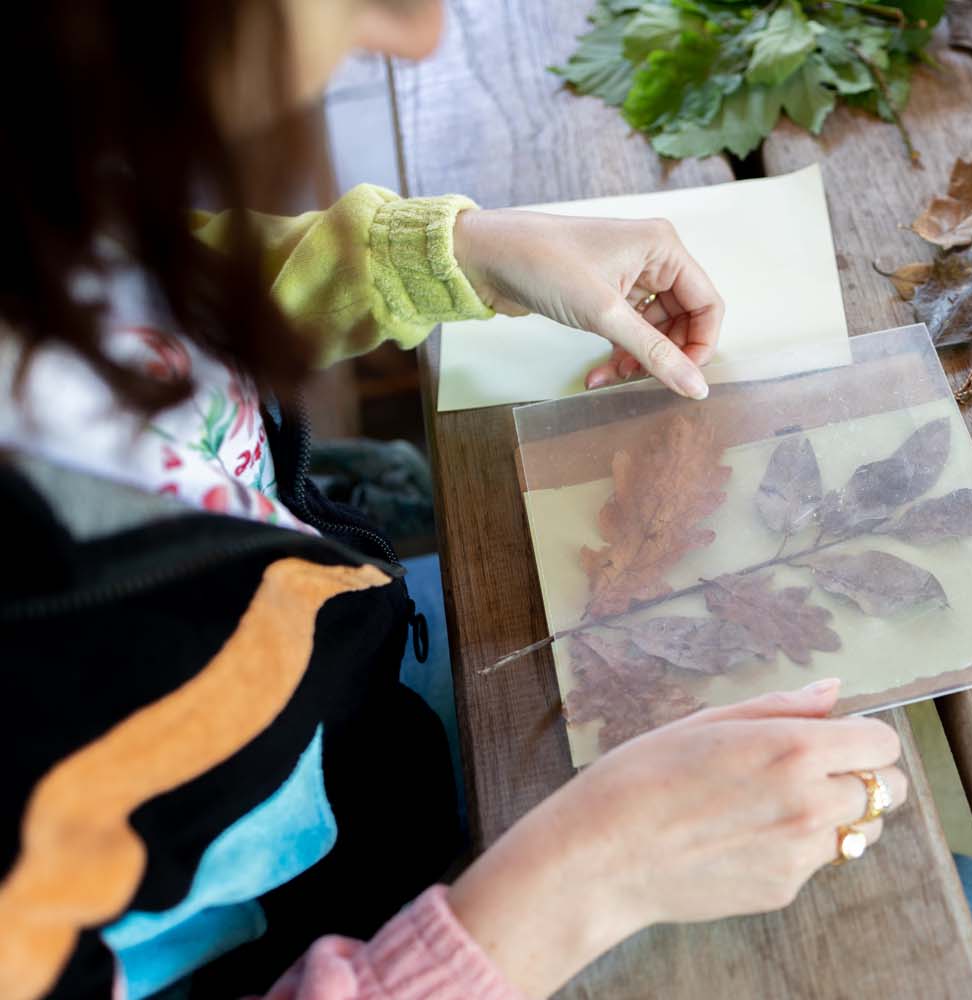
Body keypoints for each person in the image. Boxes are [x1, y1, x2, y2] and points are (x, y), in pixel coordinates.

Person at [0, 3, 913, 999]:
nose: (421, 35)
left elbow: (148, 275)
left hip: (358, 718)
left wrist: (450, 256)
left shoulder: (43, 201)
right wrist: (586, 879)